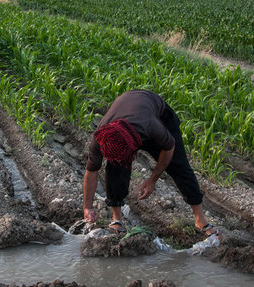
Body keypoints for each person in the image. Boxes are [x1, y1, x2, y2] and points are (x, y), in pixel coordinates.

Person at [82, 89, 218, 236]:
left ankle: (200, 220)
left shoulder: (152, 126)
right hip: (129, 113)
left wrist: (153, 179)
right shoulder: (100, 137)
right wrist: (87, 207)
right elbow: (91, 172)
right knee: (115, 167)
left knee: (179, 166)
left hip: (159, 115)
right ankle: (117, 220)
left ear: (134, 145)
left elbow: (169, 147)